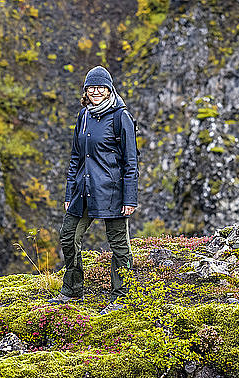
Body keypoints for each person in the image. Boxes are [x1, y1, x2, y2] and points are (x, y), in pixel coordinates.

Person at [48, 65, 139, 315]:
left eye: (101, 87)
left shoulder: (122, 117)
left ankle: (121, 296)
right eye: (91, 87)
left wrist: (130, 197)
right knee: (68, 237)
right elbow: (76, 157)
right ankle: (73, 289)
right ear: (85, 90)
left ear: (109, 89)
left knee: (119, 244)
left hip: (112, 191)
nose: (96, 91)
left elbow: (131, 162)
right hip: (83, 189)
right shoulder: (84, 115)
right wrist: (69, 193)